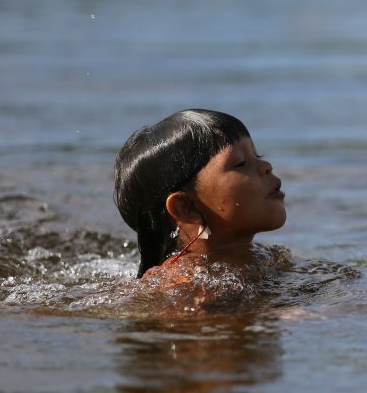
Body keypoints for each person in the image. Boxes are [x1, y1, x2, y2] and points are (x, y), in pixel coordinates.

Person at [114, 109, 287, 286]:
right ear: (187, 208)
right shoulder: (187, 284)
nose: (267, 166)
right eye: (241, 163)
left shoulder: (263, 257)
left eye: (257, 156)